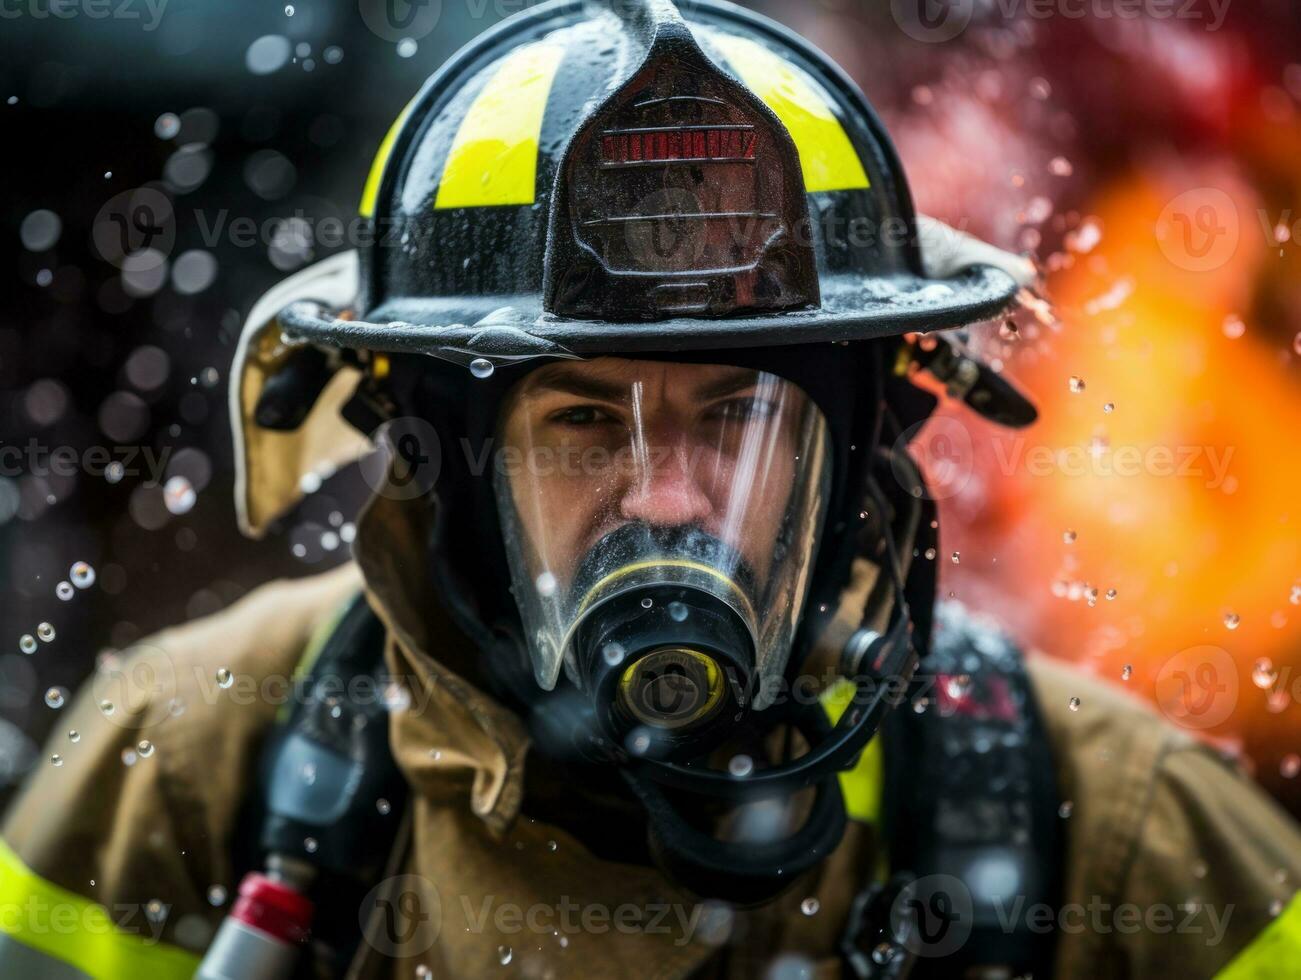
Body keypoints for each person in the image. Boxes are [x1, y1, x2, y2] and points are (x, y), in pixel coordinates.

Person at [3, 2, 1298, 978]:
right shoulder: (185, 769)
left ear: (862, 453)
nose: (669, 499)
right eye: (578, 423)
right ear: (435, 456)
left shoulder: (1113, 825)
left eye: (738, 416)